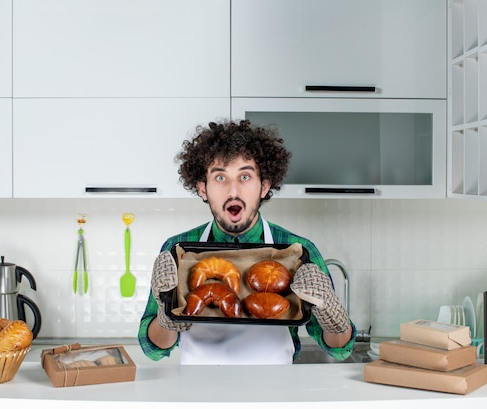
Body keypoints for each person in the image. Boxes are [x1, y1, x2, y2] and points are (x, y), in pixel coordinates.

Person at [137, 119, 355, 364]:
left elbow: (339, 349)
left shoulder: (298, 250)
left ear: (264, 186)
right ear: (202, 188)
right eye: (220, 178)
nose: (233, 191)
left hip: (273, 395)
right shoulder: (178, 250)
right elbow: (153, 348)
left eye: (245, 177)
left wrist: (330, 312)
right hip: (199, 395)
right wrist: (167, 316)